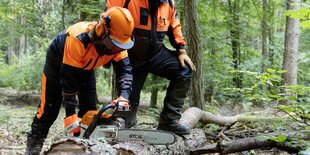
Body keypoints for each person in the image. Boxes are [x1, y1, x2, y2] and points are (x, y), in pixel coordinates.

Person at [25, 6, 134, 155]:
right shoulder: (78, 39)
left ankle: (85, 147)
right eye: (113, 44)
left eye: (120, 45)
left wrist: (124, 96)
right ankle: (33, 147)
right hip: (58, 64)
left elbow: (125, 71)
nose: (115, 49)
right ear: (102, 30)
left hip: (85, 67)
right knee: (49, 109)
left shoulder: (119, 44)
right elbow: (68, 78)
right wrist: (70, 115)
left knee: (89, 111)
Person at [106, 0, 196, 135]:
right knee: (128, 106)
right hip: (130, 56)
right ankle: (125, 123)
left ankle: (169, 121)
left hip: (156, 54)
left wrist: (181, 49)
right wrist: (106, 51)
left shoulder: (169, 3)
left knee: (184, 70)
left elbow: (174, 25)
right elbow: (108, 19)